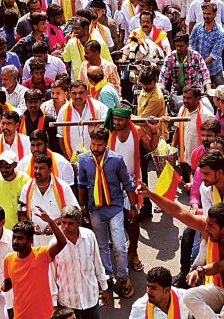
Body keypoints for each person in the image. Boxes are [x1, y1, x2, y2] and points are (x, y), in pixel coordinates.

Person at [137, 184, 224, 319]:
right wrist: (150, 195)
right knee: (189, 296)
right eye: (207, 223)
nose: (206, 228)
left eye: (211, 226)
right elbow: (178, 212)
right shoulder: (208, 229)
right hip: (217, 289)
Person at [78, 127, 137, 298]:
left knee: (119, 245)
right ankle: (107, 276)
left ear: (106, 144)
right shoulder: (83, 160)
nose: (96, 148)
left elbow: (127, 184)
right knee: (102, 246)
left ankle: (123, 277)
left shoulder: (116, 160)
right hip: (94, 208)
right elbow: (82, 184)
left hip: (115, 207)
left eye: (99, 144)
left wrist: (133, 207)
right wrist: (83, 209)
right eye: (93, 144)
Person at [104, 107, 160, 272]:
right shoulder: (108, 132)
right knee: (113, 218)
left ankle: (133, 253)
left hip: (131, 180)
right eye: (114, 119)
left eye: (119, 120)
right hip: (111, 181)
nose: (116, 123)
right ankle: (117, 250)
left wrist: (154, 131)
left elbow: (151, 147)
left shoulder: (138, 131)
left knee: (132, 219)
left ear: (128, 120)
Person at [2, 213, 68, 319]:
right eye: (14, 237)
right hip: (20, 316)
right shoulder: (8, 259)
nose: (15, 241)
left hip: (44, 316)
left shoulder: (42, 254)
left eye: (20, 238)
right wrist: (2, 288)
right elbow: (9, 282)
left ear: (30, 241)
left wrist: (51, 222)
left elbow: (62, 242)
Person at [53, 205, 110, 319]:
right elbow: (51, 276)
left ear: (79, 223)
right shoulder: (54, 244)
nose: (65, 227)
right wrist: (54, 303)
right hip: (67, 303)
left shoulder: (89, 236)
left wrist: (104, 287)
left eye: (70, 223)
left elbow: (97, 263)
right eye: (63, 223)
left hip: (90, 299)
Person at [17, 153, 78, 240]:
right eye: (35, 168)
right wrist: (31, 225)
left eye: (41, 168)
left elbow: (74, 212)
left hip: (59, 239)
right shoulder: (26, 189)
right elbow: (21, 213)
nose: (37, 171)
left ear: (49, 170)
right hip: (36, 240)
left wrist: (53, 224)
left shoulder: (63, 187)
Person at [57, 79, 107, 160]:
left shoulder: (99, 108)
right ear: (69, 94)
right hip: (72, 159)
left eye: (81, 93)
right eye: (74, 93)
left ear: (86, 93)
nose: (78, 96)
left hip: (97, 159)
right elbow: (60, 136)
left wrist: (94, 132)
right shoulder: (63, 111)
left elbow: (107, 132)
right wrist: (67, 158)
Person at [158, 32, 212, 98]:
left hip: (194, 91)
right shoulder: (170, 57)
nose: (178, 48)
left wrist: (208, 89)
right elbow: (163, 76)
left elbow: (204, 73)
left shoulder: (195, 56)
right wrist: (160, 90)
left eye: (181, 46)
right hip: (176, 92)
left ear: (187, 45)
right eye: (176, 46)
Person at [189, 3, 224, 87]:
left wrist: (199, 64)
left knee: (219, 95)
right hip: (197, 70)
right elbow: (192, 46)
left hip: (214, 71)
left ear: (215, 14)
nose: (206, 16)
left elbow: (213, 55)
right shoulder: (197, 28)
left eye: (208, 14)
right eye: (204, 13)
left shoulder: (220, 33)